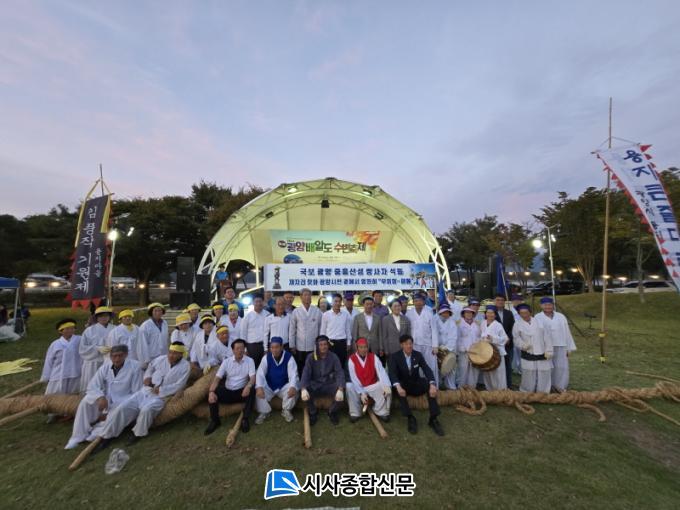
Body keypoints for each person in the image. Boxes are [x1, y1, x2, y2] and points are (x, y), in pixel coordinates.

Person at [94, 342, 190, 450]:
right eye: (170, 352)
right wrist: (147, 376)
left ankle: (137, 433)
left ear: (181, 354)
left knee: (146, 410)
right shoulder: (161, 359)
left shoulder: (185, 366)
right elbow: (150, 367)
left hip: (162, 397)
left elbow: (180, 384)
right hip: (145, 391)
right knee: (122, 408)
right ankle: (107, 436)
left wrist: (162, 390)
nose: (171, 355)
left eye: (175, 353)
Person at [64, 345, 142, 449]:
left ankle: (98, 432)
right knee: (86, 401)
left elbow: (136, 392)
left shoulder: (135, 366)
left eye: (120, 356)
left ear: (126, 355)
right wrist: (100, 397)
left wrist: (111, 410)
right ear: (110, 356)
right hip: (108, 399)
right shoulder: (106, 367)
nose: (117, 359)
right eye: (114, 356)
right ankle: (77, 436)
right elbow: (92, 385)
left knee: (117, 412)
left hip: (127, 401)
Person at [388, 334, 443, 436]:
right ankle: (410, 418)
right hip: (403, 386)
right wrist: (398, 387)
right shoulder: (394, 357)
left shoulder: (418, 355)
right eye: (406, 344)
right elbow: (392, 374)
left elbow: (426, 369)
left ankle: (433, 419)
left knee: (428, 385)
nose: (409, 346)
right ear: (401, 345)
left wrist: (432, 384)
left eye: (410, 343)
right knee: (398, 388)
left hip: (416, 383)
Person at [204, 339, 256, 435]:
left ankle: (245, 419)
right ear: (233, 350)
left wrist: (248, 386)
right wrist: (211, 392)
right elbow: (217, 378)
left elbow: (253, 378)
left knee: (252, 389)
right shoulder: (226, 362)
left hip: (241, 393)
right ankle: (215, 421)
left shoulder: (250, 361)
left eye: (242, 348)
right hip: (228, 392)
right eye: (237, 348)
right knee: (213, 392)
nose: (240, 350)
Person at [300, 335, 345, 426]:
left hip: (328, 383)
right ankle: (313, 412)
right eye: (321, 345)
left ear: (328, 345)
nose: (323, 347)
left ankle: (332, 411)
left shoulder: (334, 357)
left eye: (325, 344)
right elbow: (306, 372)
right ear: (317, 346)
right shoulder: (311, 357)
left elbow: (339, 372)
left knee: (342, 389)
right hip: (315, 384)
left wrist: (340, 388)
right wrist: (303, 388)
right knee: (306, 389)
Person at [534, 297, 576, 392]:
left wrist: (568, 347)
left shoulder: (560, 316)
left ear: (553, 305)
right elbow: (537, 333)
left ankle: (560, 386)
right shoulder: (537, 317)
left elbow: (566, 331)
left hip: (561, 345)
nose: (548, 307)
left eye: (550, 305)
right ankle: (546, 387)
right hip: (545, 346)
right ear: (541, 306)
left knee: (561, 367)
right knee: (546, 367)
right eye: (545, 305)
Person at [346, 338, 391, 423]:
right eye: (361, 347)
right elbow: (353, 378)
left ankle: (380, 411)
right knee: (349, 386)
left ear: (368, 347)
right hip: (359, 386)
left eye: (365, 347)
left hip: (371, 385)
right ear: (357, 348)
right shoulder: (352, 359)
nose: (363, 349)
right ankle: (355, 413)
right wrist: (361, 392)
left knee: (382, 385)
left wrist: (386, 385)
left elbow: (381, 371)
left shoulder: (373, 357)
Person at [255, 337, 298, 424]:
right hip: (270, 386)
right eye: (272, 347)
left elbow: (293, 374)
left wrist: (292, 387)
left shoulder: (289, 357)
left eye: (277, 347)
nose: (274, 350)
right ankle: (264, 412)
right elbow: (260, 373)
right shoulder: (266, 357)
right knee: (258, 391)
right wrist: (259, 387)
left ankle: (286, 410)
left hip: (283, 386)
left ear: (282, 347)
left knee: (294, 389)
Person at [513, 304, 553, 393]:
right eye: (522, 313)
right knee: (528, 372)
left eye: (526, 313)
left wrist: (549, 350)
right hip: (528, 352)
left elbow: (547, 337)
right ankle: (527, 391)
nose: (524, 315)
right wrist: (523, 345)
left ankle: (543, 392)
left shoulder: (540, 322)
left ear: (530, 312)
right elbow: (516, 338)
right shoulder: (517, 324)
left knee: (544, 372)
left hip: (542, 351)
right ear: (519, 314)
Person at [41, 318, 82, 398]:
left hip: (75, 371)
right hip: (59, 373)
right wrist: (46, 376)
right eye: (67, 329)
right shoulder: (55, 344)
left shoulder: (80, 339)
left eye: (72, 328)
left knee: (73, 395)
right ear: (61, 331)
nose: (70, 330)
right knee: (54, 395)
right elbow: (49, 361)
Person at [405, 292, 439, 384]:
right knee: (416, 367)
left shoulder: (429, 313)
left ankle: (433, 385)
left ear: (424, 302)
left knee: (430, 366)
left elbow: (434, 330)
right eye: (416, 301)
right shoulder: (409, 313)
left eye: (420, 300)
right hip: (414, 345)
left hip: (428, 344)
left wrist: (435, 346)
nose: (418, 303)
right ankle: (420, 386)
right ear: (413, 302)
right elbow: (407, 330)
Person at [78, 306, 114, 393]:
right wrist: (97, 348)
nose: (104, 318)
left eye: (106, 316)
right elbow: (82, 348)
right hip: (93, 362)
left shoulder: (115, 329)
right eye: (101, 316)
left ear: (109, 317)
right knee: (92, 383)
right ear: (96, 318)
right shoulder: (89, 330)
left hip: (111, 360)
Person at [289, 287, 323, 377]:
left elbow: (321, 329)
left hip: (313, 346)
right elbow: (292, 329)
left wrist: (320, 344)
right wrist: (292, 345)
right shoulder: (296, 311)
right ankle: (302, 384)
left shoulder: (317, 311)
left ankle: (313, 384)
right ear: (301, 297)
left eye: (309, 295)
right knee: (301, 368)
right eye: (305, 295)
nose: (307, 297)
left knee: (314, 367)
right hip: (300, 346)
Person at [480, 304, 508, 390]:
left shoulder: (498, 325)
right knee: (487, 371)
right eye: (488, 312)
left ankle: (500, 391)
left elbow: (505, 339)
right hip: (486, 352)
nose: (490, 315)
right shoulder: (483, 323)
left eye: (492, 313)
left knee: (498, 373)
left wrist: (493, 339)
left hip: (497, 353)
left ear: (495, 315)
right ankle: (490, 390)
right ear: (485, 314)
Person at [320, 293, 352, 367]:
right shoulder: (326, 315)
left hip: (342, 343)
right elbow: (322, 331)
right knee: (329, 365)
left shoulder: (345, 314)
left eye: (339, 301)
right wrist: (322, 344)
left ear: (341, 302)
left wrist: (349, 343)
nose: (337, 303)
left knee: (341, 365)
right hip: (330, 343)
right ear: (332, 302)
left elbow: (348, 330)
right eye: (335, 301)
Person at [241, 294, 270, 367]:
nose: (258, 303)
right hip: (251, 347)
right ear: (253, 303)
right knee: (252, 367)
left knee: (265, 367)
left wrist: (267, 348)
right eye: (256, 301)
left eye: (260, 301)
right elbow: (243, 334)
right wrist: (245, 349)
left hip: (265, 345)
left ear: (263, 302)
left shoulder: (268, 315)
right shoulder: (247, 316)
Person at [494, 294, 515, 388]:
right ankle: (497, 386)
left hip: (508, 344)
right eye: (498, 300)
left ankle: (508, 386)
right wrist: (500, 340)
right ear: (494, 301)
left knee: (508, 366)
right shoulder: (490, 312)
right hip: (496, 345)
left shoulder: (509, 313)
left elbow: (512, 328)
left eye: (502, 300)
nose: (500, 302)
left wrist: (508, 338)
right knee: (496, 366)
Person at [457, 307, 481, 388]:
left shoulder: (477, 324)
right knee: (463, 370)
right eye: (466, 312)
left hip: (475, 352)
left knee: (474, 370)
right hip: (464, 352)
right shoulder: (459, 324)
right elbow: (457, 338)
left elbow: (480, 336)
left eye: (470, 313)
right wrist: (462, 348)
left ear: (473, 314)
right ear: (463, 314)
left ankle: (472, 388)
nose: (468, 314)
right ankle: (461, 388)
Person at [436, 303, 458, 389]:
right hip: (437, 349)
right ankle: (438, 385)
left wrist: (447, 348)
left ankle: (451, 386)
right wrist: (438, 346)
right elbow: (434, 334)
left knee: (450, 368)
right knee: (437, 368)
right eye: (443, 312)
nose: (445, 314)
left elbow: (453, 337)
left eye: (447, 312)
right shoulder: (435, 320)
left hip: (449, 349)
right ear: (440, 312)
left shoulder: (452, 322)